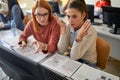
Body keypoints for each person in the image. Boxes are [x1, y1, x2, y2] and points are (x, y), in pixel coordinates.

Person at [56, 0, 97, 67]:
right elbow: (61, 51)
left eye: (74, 16)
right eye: (68, 16)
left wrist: (79, 38)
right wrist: (63, 32)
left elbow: (74, 57)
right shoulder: (69, 25)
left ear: (83, 15)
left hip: (87, 63)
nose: (70, 20)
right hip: (73, 58)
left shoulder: (90, 31)